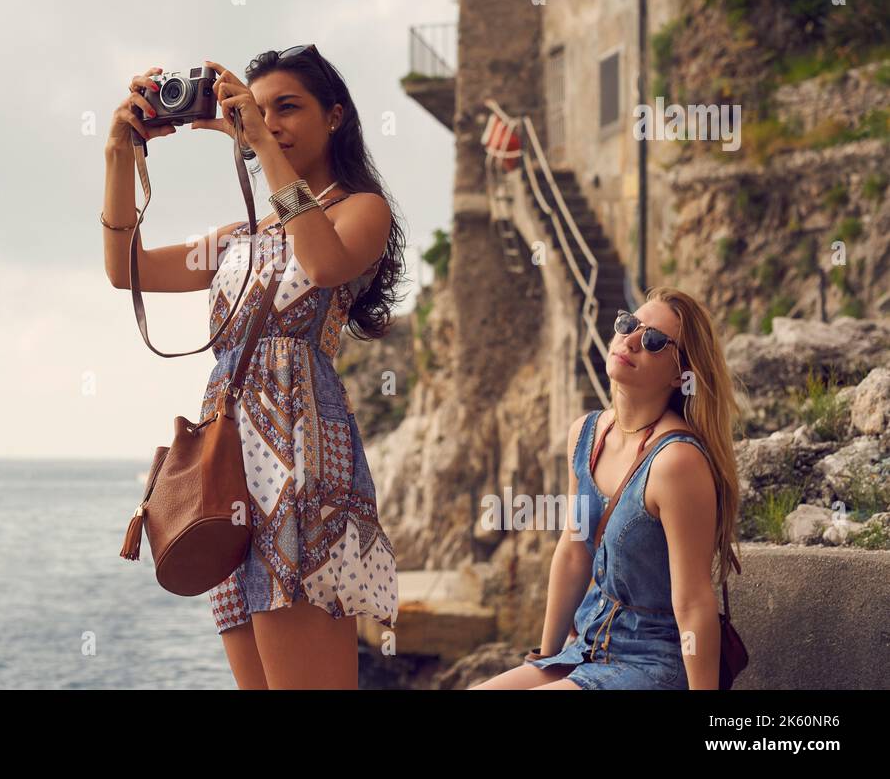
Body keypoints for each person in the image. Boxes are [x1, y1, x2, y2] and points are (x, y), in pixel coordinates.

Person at [101, 45, 407, 688]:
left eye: (287, 109)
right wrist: (119, 156)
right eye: (259, 110)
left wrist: (261, 148)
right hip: (232, 467)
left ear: (335, 117)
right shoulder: (244, 234)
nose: (271, 123)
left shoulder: (362, 209)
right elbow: (128, 270)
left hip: (299, 460)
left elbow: (322, 263)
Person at [470, 287, 743, 689]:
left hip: (652, 659)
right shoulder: (586, 433)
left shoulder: (676, 462)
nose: (631, 340)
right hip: (590, 646)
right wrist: (545, 660)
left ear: (678, 375)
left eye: (653, 341)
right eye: (628, 324)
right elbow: (574, 549)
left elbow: (693, 601)